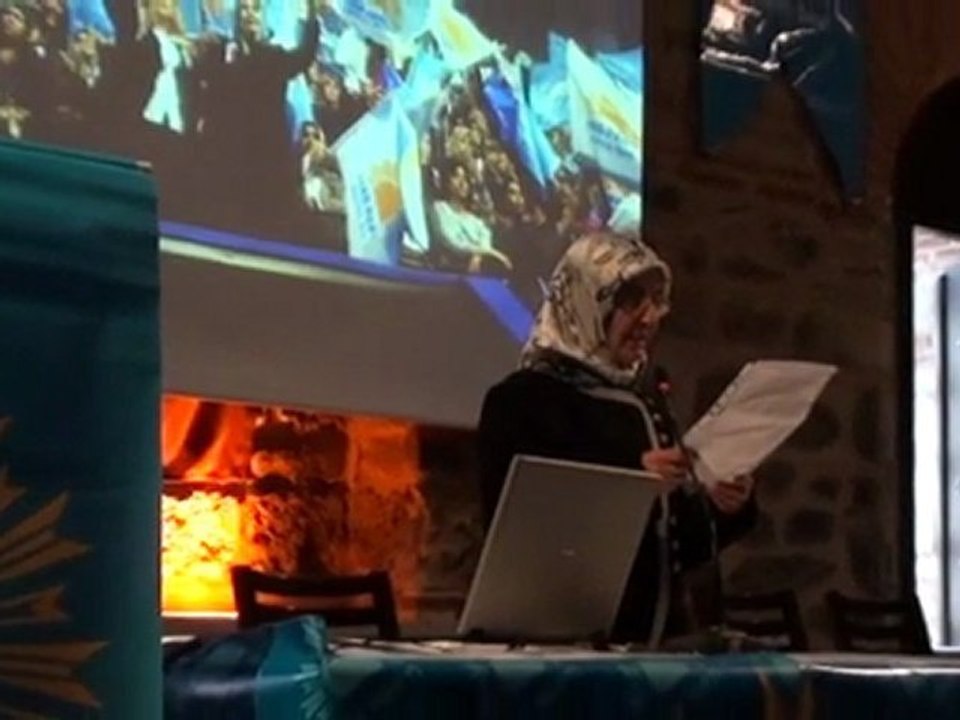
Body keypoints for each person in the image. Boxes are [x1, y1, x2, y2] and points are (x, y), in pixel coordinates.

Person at [477, 232, 758, 644]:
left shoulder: (644, 402)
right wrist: (632, 484)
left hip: (651, 649)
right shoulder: (522, 400)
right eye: (630, 301)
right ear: (586, 300)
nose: (649, 318)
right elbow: (527, 531)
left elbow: (675, 546)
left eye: (656, 301)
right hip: (557, 650)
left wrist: (720, 502)